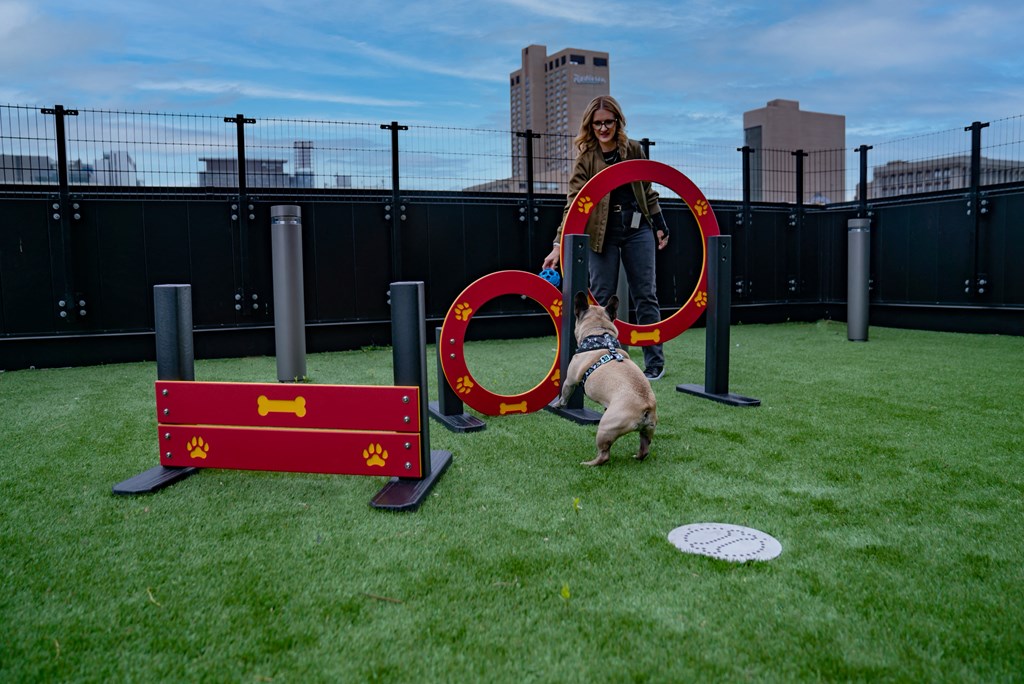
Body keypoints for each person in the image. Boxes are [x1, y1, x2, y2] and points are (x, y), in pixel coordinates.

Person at [542, 95, 671, 381]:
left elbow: (648, 189)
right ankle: (603, 359)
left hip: (638, 229)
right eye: (598, 123)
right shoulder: (586, 158)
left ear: (618, 122)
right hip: (601, 235)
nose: (603, 128)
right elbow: (573, 203)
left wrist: (659, 223)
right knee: (599, 300)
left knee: (645, 294)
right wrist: (557, 244)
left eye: (608, 122)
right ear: (590, 124)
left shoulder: (634, 149)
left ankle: (654, 363)